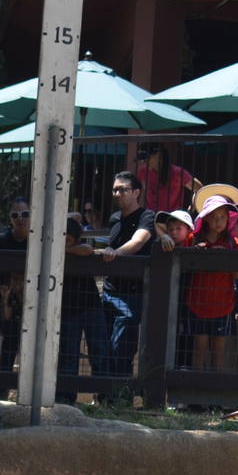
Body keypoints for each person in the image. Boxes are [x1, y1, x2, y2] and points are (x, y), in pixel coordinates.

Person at [97, 171, 158, 381]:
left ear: (136, 192)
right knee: (104, 346)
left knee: (122, 348)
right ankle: (105, 395)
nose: (117, 193)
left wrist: (115, 253)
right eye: (115, 189)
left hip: (133, 294)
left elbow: (138, 241)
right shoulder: (114, 218)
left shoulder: (147, 216)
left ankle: (121, 395)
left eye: (123, 189)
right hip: (109, 291)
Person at [57, 215, 110, 404]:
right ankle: (65, 396)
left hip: (90, 305)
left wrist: (64, 249)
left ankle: (103, 395)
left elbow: (87, 249)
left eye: (68, 239)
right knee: (68, 352)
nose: (64, 242)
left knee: (99, 350)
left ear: (75, 239)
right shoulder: (55, 254)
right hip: (67, 308)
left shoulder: (80, 249)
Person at [181, 197, 236, 371]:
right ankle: (196, 396)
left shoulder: (234, 244)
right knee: (198, 350)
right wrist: (196, 253)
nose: (219, 221)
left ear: (228, 219)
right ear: (205, 218)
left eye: (223, 217)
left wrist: (226, 258)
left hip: (224, 306)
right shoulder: (192, 239)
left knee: (218, 353)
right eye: (214, 217)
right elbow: (181, 263)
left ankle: (215, 395)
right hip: (197, 304)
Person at [0, 197, 30, 369]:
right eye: (15, 215)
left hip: (31, 311)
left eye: (25, 214)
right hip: (6, 310)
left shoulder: (40, 242)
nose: (20, 218)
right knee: (2, 361)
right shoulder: (2, 243)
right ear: (10, 218)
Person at [135, 143, 201, 214]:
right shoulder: (143, 171)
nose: (143, 162)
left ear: (158, 155)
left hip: (172, 218)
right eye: (142, 159)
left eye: (146, 158)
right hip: (150, 216)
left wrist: (189, 211)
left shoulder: (178, 173)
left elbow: (200, 190)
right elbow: (136, 191)